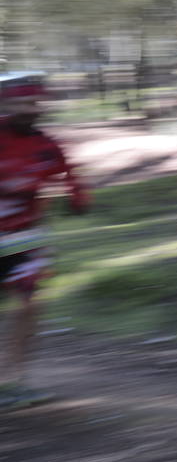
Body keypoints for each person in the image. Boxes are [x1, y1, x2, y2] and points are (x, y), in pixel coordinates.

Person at [0, 72, 89, 409]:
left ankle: (12, 382)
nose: (33, 109)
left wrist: (78, 197)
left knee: (30, 305)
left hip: (24, 239)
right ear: (7, 103)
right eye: (25, 102)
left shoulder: (46, 145)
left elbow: (68, 173)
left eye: (37, 102)